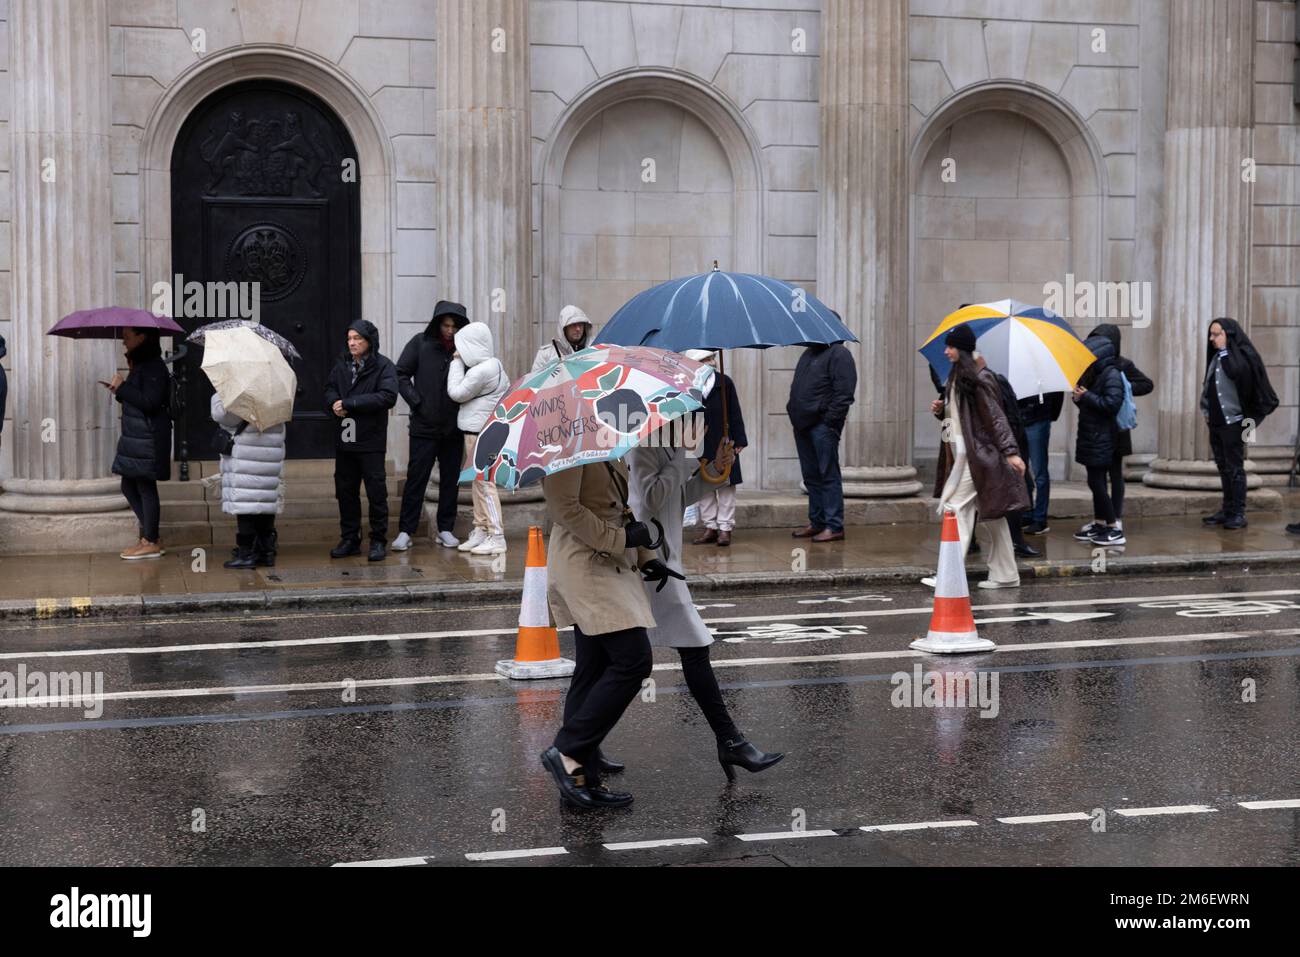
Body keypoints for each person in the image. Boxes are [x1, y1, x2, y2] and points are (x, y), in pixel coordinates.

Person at [628, 414, 783, 779]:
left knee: (612, 661)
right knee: (691, 648)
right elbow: (651, 498)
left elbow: (681, 497)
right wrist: (683, 460)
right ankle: (730, 741)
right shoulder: (642, 447)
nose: (693, 417)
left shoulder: (666, 444)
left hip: (665, 562)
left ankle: (580, 745)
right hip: (652, 565)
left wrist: (717, 466)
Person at [538, 459, 660, 810]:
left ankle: (579, 779)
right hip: (585, 565)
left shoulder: (599, 437)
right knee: (634, 661)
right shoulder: (565, 442)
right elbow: (565, 508)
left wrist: (646, 554)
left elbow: (617, 504)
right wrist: (621, 540)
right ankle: (567, 752)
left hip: (608, 561)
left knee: (592, 670)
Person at [926, 324, 1028, 588]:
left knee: (955, 508)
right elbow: (963, 418)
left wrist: (1010, 452)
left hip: (979, 457)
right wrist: (942, 410)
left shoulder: (980, 379)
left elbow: (995, 417)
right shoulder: (959, 377)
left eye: (951, 347)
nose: (946, 351)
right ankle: (1006, 575)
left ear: (961, 349)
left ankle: (949, 577)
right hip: (971, 455)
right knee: (993, 516)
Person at [394, 301, 468, 551]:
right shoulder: (420, 343)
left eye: (454, 327)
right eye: (446, 325)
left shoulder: (467, 350)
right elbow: (400, 373)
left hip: (453, 428)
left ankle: (445, 529)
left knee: (450, 480)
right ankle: (406, 530)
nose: (450, 330)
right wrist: (417, 402)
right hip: (423, 427)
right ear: (438, 324)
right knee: (416, 478)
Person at [324, 318, 398, 562]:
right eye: (350, 339)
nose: (352, 343)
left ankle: (378, 540)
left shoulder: (384, 366)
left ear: (369, 341)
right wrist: (334, 403)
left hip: (370, 439)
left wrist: (351, 403)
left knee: (376, 491)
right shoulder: (342, 364)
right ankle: (350, 538)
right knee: (345, 491)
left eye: (357, 339)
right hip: (346, 437)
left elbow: (387, 397)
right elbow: (330, 388)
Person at [1074, 323, 1153, 542]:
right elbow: (1090, 399)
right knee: (1097, 478)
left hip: (1116, 429)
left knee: (1114, 473)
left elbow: (1146, 385)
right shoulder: (1092, 368)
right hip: (1098, 428)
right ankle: (1102, 520)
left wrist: (1124, 386)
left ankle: (1114, 520)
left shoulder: (1121, 366)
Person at [1200, 317, 1278, 530]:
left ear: (1229, 335)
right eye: (1211, 334)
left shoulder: (1240, 357)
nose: (1212, 339)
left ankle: (1238, 513)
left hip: (1237, 423)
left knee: (1235, 468)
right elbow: (1208, 386)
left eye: (1217, 334)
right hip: (1216, 422)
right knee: (1223, 467)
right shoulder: (1217, 357)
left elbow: (1234, 372)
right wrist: (1206, 410)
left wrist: (1225, 350)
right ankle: (1227, 509)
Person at [446, 321, 510, 555]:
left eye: (462, 346)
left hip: (480, 433)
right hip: (479, 432)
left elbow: (456, 393)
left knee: (485, 483)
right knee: (477, 482)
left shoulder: (482, 370)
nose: (459, 351)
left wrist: (456, 362)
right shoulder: (494, 365)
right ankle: (481, 528)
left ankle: (497, 535)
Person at [108, 327, 172, 560]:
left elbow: (151, 402)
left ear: (142, 337)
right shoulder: (143, 364)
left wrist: (124, 387)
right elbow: (140, 398)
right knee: (129, 485)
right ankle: (151, 535)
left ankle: (150, 540)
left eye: (127, 337)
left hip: (149, 437)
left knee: (144, 486)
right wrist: (120, 390)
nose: (124, 342)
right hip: (138, 438)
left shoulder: (153, 366)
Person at [787, 331, 857, 542]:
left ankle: (834, 526)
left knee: (828, 475)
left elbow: (844, 393)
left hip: (822, 426)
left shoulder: (839, 354)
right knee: (811, 476)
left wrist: (830, 422)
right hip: (802, 424)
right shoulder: (809, 354)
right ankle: (817, 522)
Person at [211, 394, 285, 569]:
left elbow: (223, 416)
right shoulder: (275, 392)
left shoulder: (240, 391)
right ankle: (266, 552)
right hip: (269, 455)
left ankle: (246, 554)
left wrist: (219, 396)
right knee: (264, 502)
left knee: (246, 505)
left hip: (246, 456)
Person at [684, 350, 746, 547]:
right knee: (703, 486)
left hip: (723, 440)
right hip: (699, 441)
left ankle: (725, 528)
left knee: (726, 485)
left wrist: (739, 440)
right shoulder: (687, 383)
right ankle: (710, 526)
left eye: (712, 358)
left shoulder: (724, 382)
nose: (712, 362)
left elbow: (735, 411)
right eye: (706, 359)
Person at [1071, 333, 1127, 546]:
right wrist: (1080, 398)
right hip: (1091, 435)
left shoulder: (1111, 374)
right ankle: (1100, 522)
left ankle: (1114, 528)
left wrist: (1087, 396)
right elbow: (1093, 405)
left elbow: (1112, 404)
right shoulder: (1096, 374)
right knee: (1096, 482)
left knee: (1097, 482)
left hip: (1101, 437)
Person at [1016, 391, 1064, 535]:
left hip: (1038, 419)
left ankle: (1040, 518)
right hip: (1019, 420)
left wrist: (1049, 415)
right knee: (1020, 470)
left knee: (1040, 472)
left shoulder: (1045, 371)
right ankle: (1028, 512)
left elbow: (1057, 394)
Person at [530, 304, 592, 374]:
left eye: (580, 325)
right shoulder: (546, 354)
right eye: (573, 325)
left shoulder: (594, 350)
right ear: (564, 329)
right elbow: (536, 380)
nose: (578, 329)